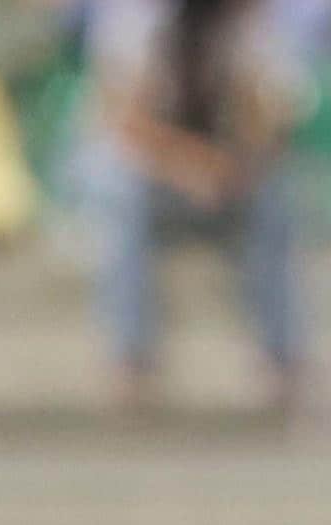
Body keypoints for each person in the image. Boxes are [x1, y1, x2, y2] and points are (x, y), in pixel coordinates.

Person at [76, 0, 312, 407]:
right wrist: (188, 164)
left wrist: (234, 159)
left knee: (271, 205)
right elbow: (124, 123)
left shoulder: (253, 31)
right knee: (124, 200)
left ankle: (284, 359)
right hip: (155, 181)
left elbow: (271, 130)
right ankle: (131, 360)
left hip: (226, 182)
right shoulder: (138, 24)